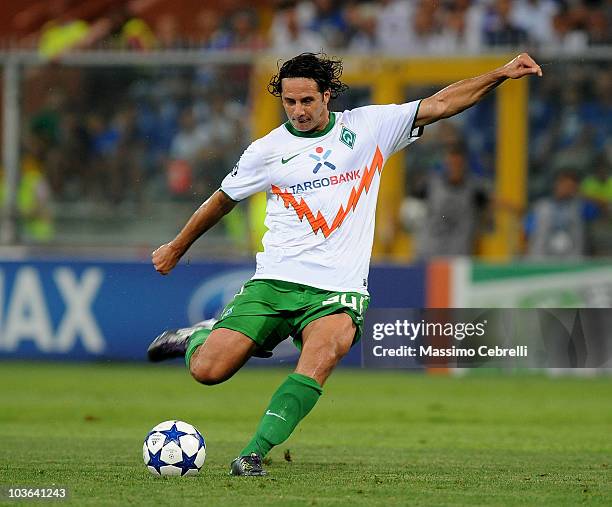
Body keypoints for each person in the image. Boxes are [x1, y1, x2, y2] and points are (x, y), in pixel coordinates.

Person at [147, 51, 542, 476]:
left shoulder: (369, 127)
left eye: (307, 101)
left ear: (327, 95)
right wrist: (176, 246)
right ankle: (194, 338)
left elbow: (443, 104)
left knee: (325, 351)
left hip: (339, 288)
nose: (298, 111)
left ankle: (253, 453)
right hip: (276, 281)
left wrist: (500, 73)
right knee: (209, 371)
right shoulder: (267, 151)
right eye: (290, 102)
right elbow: (221, 202)